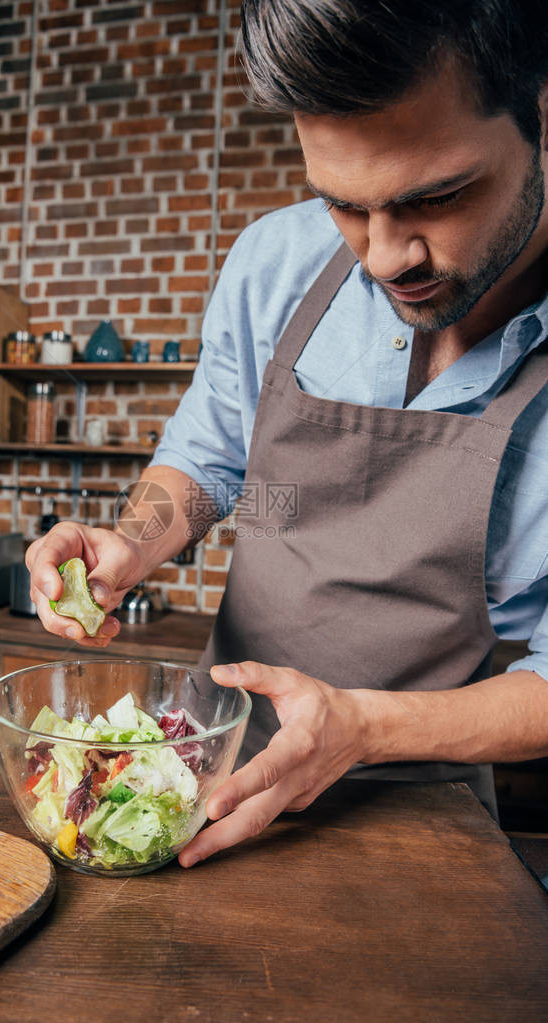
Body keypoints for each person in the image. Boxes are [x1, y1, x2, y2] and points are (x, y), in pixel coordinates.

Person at [27, 0, 548, 868]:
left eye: (436, 196)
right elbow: (209, 456)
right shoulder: (275, 261)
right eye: (342, 204)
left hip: (413, 819)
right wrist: (130, 542)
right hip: (189, 773)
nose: (383, 259)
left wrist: (364, 727)